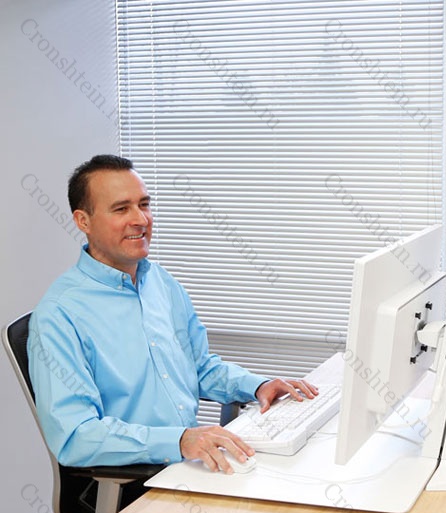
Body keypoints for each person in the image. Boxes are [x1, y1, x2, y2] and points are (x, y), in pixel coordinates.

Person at [28, 154, 318, 477]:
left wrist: (259, 385)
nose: (141, 219)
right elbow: (75, 436)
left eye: (144, 204)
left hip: (188, 464)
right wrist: (178, 441)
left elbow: (199, 367)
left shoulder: (160, 282)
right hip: (129, 484)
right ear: (83, 221)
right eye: (121, 209)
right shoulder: (59, 316)